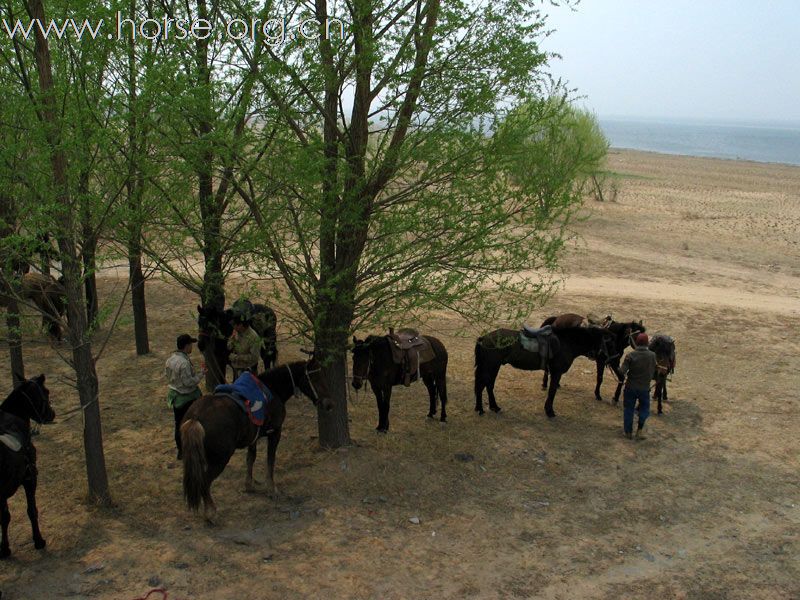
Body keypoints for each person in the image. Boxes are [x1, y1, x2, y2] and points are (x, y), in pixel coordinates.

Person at [165, 333, 205, 459]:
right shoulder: (184, 363)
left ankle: (181, 450)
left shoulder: (170, 359)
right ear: (186, 346)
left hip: (175, 394)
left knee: (178, 423)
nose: (192, 347)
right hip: (186, 396)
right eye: (190, 344)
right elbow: (188, 383)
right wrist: (200, 375)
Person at [619, 332, 657, 440]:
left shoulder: (630, 355)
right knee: (644, 409)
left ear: (636, 342)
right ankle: (639, 430)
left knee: (628, 409)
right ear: (647, 343)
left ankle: (628, 432)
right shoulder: (652, 355)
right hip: (645, 388)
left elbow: (622, 372)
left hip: (630, 387)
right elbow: (654, 369)